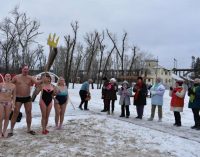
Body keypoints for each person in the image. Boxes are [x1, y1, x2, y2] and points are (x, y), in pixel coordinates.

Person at [9, 65, 41, 136]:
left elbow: (37, 82)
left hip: (27, 98)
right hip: (18, 98)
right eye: (24, 69)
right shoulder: (16, 77)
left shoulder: (30, 77)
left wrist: (42, 79)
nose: (26, 70)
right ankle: (11, 130)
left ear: (28, 70)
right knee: (15, 113)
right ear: (22, 69)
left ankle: (29, 129)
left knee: (29, 113)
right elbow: (10, 84)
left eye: (27, 69)